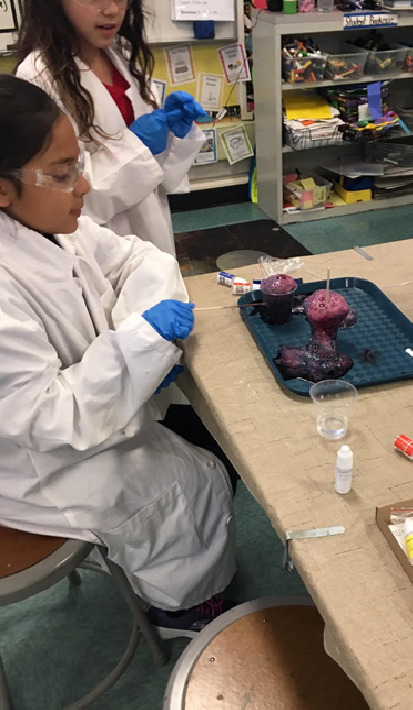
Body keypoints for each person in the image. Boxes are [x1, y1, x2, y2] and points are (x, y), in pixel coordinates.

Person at [0, 75, 235, 638]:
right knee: (184, 486)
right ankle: (180, 612)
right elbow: (42, 417)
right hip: (38, 462)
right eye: (61, 175)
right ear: (2, 190)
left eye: (78, 165)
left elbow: (137, 259)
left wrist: (138, 334)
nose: (83, 186)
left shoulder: (53, 225)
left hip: (90, 416)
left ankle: (180, 581)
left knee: (203, 453)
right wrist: (137, 347)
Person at [15, 0, 206, 255]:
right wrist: (136, 148)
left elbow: (158, 177)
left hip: (151, 229)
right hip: (100, 244)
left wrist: (174, 135)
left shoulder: (122, 57)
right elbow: (61, 188)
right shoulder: (39, 75)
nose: (113, 10)